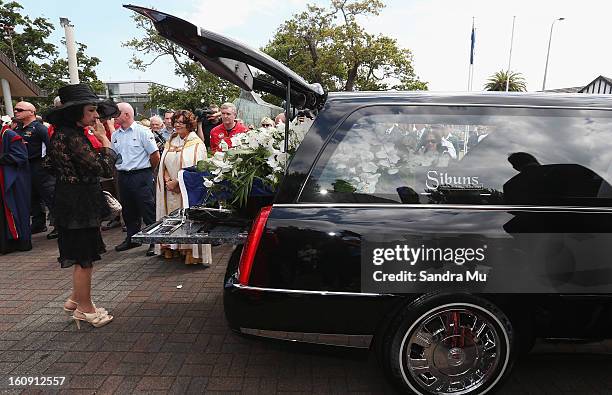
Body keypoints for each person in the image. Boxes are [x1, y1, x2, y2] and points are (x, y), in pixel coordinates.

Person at [43, 83, 116, 328]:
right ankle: (85, 309)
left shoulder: (61, 134)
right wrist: (105, 140)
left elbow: (48, 166)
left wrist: (69, 174)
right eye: (92, 110)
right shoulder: (72, 137)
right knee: (84, 258)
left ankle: (76, 300)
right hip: (78, 204)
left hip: (70, 200)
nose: (96, 116)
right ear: (76, 112)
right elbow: (105, 169)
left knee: (83, 254)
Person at [155, 110, 211, 264]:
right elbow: (162, 164)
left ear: (189, 124)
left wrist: (179, 183)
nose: (177, 125)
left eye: (181, 122)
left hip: (186, 190)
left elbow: (198, 170)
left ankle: (189, 251)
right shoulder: (171, 140)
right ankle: (171, 247)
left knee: (188, 217)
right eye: (176, 122)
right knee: (171, 217)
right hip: (170, 189)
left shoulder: (197, 143)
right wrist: (167, 181)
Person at [112, 103, 160, 255]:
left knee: (148, 209)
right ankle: (132, 238)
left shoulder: (143, 132)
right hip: (124, 176)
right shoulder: (115, 135)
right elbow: (114, 156)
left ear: (126, 115)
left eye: (117, 113)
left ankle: (154, 241)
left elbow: (155, 155)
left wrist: (148, 172)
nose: (114, 116)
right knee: (128, 209)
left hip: (141, 175)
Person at [13, 101, 57, 239]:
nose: (16, 112)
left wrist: (49, 165)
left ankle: (58, 225)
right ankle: (38, 223)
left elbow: (50, 147)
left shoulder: (39, 128)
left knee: (49, 195)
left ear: (31, 112)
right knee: (32, 197)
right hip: (25, 167)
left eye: (20, 109)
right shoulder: (18, 129)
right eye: (15, 109)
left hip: (40, 165)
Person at [0, 126, 32, 253]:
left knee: (17, 209)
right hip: (5, 180)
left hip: (13, 181)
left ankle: (21, 241)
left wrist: (2, 158)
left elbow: (21, 156)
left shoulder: (9, 135)